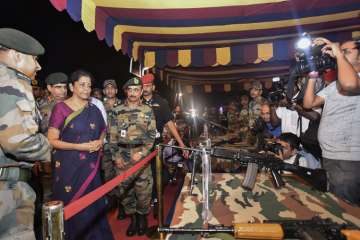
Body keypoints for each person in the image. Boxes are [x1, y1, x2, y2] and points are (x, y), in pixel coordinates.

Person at [47, 70, 113, 239]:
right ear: (72, 87)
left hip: (90, 165)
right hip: (68, 166)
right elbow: (52, 140)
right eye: (82, 85)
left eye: (89, 85)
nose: (86, 89)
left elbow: (103, 131)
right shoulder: (60, 109)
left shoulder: (94, 109)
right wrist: (79, 146)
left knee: (93, 204)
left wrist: (99, 141)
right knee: (72, 204)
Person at [0, 28, 51, 239]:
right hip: (8, 191)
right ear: (16, 55)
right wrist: (48, 146)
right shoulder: (12, 81)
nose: (38, 66)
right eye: (35, 59)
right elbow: (18, 142)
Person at [303, 37, 360, 206]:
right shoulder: (336, 85)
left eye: (346, 51)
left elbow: (349, 84)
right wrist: (313, 77)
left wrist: (337, 53)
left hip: (348, 160)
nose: (340, 53)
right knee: (334, 207)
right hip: (329, 155)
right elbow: (309, 103)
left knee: (347, 213)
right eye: (340, 50)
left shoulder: (351, 81)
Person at [103, 77, 156, 236]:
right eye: (130, 90)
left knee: (143, 191)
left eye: (136, 90)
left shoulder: (147, 110)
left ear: (141, 92)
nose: (133, 93)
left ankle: (142, 218)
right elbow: (111, 135)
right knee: (125, 191)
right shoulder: (116, 110)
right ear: (126, 91)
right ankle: (133, 219)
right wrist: (115, 156)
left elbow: (151, 135)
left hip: (141, 156)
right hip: (122, 156)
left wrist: (142, 153)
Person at [141, 73, 188, 208]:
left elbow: (170, 123)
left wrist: (181, 143)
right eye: (143, 86)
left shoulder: (161, 102)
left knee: (157, 173)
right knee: (142, 175)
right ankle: (144, 200)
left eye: (148, 86)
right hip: (139, 145)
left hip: (155, 145)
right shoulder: (136, 101)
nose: (145, 89)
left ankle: (155, 197)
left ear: (153, 87)